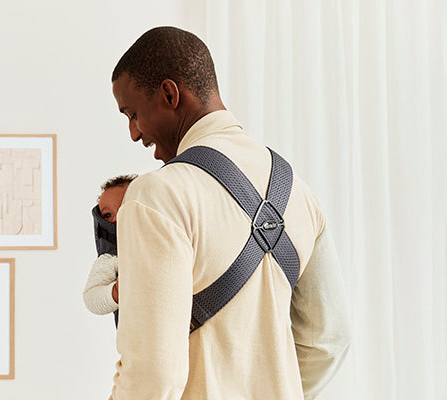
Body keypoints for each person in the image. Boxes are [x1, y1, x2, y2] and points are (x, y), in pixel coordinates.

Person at [108, 26, 351, 400]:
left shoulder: (157, 194)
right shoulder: (300, 194)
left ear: (170, 94)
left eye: (133, 113)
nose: (134, 133)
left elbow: (153, 375)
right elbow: (329, 339)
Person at [83, 175, 137, 316]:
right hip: (135, 326)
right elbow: (91, 296)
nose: (116, 218)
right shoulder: (112, 257)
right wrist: (116, 292)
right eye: (107, 215)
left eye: (124, 208)